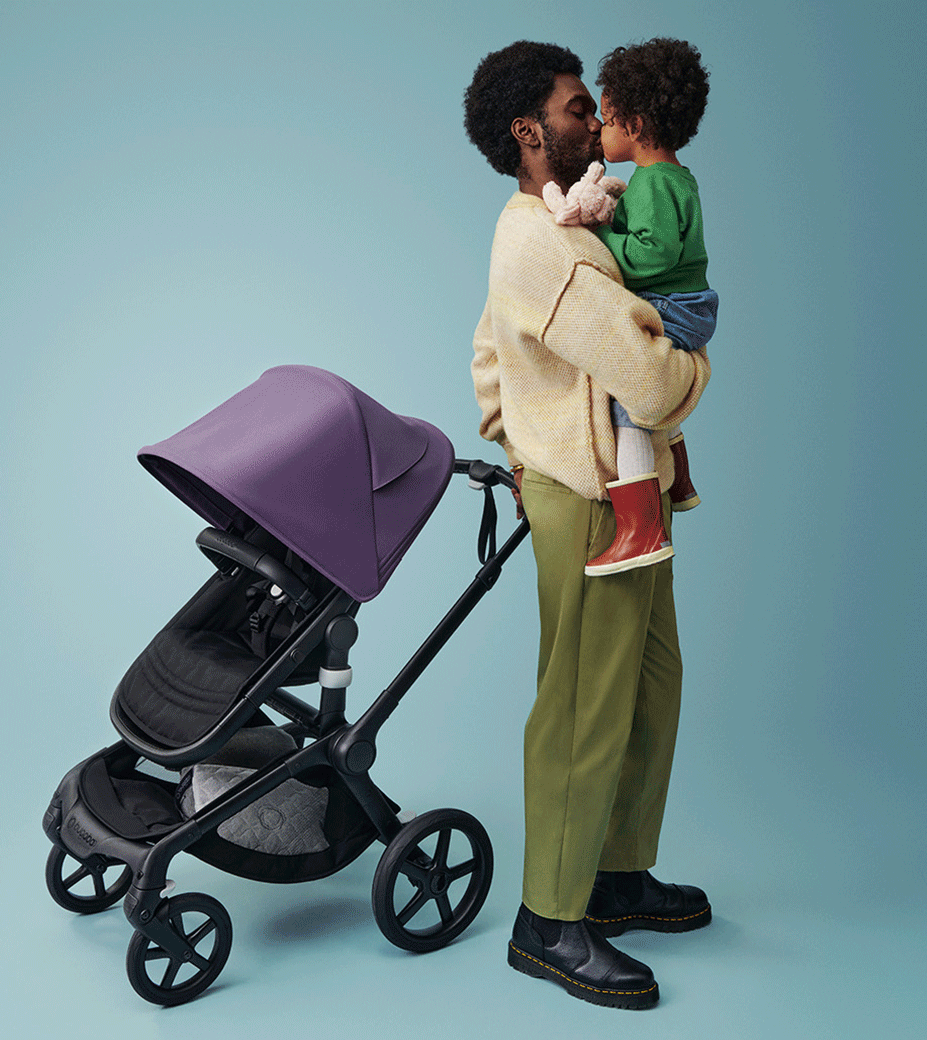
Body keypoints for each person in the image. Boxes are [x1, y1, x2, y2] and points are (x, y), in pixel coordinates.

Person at [463, 40, 713, 1010]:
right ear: (529, 133)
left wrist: (514, 433)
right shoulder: (539, 243)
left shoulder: (564, 226)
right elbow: (650, 377)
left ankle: (611, 875)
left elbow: (487, 351)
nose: (593, 125)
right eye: (575, 111)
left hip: (616, 487)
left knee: (649, 681)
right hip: (593, 499)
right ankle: (547, 916)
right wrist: (695, 368)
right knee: (578, 701)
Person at [583, 38, 717, 575]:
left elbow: (649, 255)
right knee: (645, 383)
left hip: (675, 305)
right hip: (687, 303)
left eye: (607, 117)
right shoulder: (672, 177)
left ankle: (640, 530)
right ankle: (677, 478)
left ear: (634, 126)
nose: (599, 128)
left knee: (628, 394)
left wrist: (601, 234)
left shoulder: (656, 181)